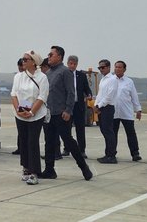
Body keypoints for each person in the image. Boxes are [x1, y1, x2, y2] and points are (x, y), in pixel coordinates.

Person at [40, 46, 92, 181]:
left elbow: (71, 92)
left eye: (51, 54)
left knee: (68, 141)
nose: (49, 56)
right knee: (49, 142)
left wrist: (68, 110)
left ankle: (84, 167)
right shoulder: (48, 73)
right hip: (49, 113)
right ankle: (49, 170)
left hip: (61, 114)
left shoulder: (65, 72)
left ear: (59, 57)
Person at [11, 50, 49, 185]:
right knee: (23, 141)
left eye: (26, 59)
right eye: (23, 59)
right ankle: (26, 168)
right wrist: (18, 110)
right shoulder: (18, 77)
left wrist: (32, 112)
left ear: (34, 62)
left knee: (33, 142)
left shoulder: (42, 77)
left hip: (36, 113)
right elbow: (14, 94)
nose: (23, 61)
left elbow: (42, 97)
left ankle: (34, 172)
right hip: (21, 111)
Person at [62, 55, 92, 158]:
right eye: (70, 63)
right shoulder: (63, 74)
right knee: (66, 129)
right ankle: (66, 149)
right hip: (67, 107)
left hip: (78, 106)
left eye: (74, 64)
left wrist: (89, 94)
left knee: (80, 129)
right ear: (67, 63)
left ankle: (82, 150)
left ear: (77, 64)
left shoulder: (81, 75)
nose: (72, 66)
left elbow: (86, 88)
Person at [113, 60, 142, 161]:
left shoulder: (129, 82)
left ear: (124, 69)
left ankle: (135, 153)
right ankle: (111, 153)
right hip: (113, 112)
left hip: (126, 112)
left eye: (120, 67)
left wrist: (138, 110)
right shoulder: (111, 80)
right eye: (116, 67)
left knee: (131, 133)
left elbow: (134, 97)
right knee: (112, 134)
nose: (117, 69)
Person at [94, 59, 118, 164]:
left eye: (103, 67)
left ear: (108, 67)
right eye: (99, 68)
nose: (101, 69)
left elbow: (109, 96)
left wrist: (99, 105)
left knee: (108, 131)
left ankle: (112, 155)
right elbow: (100, 95)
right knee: (104, 131)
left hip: (107, 107)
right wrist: (96, 105)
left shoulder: (112, 79)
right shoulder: (103, 79)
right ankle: (107, 154)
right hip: (101, 108)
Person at [11, 58, 25, 155]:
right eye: (19, 67)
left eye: (21, 67)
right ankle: (20, 148)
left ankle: (24, 148)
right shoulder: (17, 76)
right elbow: (14, 92)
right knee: (20, 129)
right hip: (18, 103)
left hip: (26, 103)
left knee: (25, 129)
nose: (20, 69)